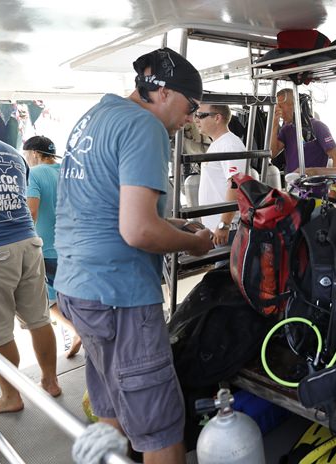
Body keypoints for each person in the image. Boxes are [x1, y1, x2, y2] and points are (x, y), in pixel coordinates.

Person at [54, 48, 213, 464]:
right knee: (158, 426)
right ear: (162, 92)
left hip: (79, 290)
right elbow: (138, 230)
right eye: (190, 106)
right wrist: (195, 244)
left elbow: (109, 207)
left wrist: (176, 224)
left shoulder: (97, 117)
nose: (190, 119)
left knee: (111, 404)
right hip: (118, 295)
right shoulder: (146, 126)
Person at [0, 118, 61, 414]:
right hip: (29, 242)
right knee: (39, 318)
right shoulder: (11, 153)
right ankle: (51, 381)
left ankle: (10, 396)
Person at [23, 135, 82, 358]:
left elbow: (32, 212)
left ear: (36, 154)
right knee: (74, 294)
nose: (26, 159)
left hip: (47, 248)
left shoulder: (35, 173)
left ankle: (77, 331)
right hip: (74, 246)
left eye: (26, 154)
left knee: (47, 301)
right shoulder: (69, 171)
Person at [194, 104, 246, 246]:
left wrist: (224, 224)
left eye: (201, 115)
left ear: (217, 118)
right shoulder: (218, 144)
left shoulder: (229, 145)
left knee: (226, 267)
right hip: (218, 228)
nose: (196, 120)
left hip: (228, 230)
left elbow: (235, 185)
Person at [270, 88, 336, 173]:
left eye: (281, 106)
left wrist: (334, 185)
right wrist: (274, 125)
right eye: (277, 107)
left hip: (316, 184)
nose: (278, 110)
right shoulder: (286, 130)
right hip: (293, 184)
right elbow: (272, 153)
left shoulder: (317, 126)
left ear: (294, 105)